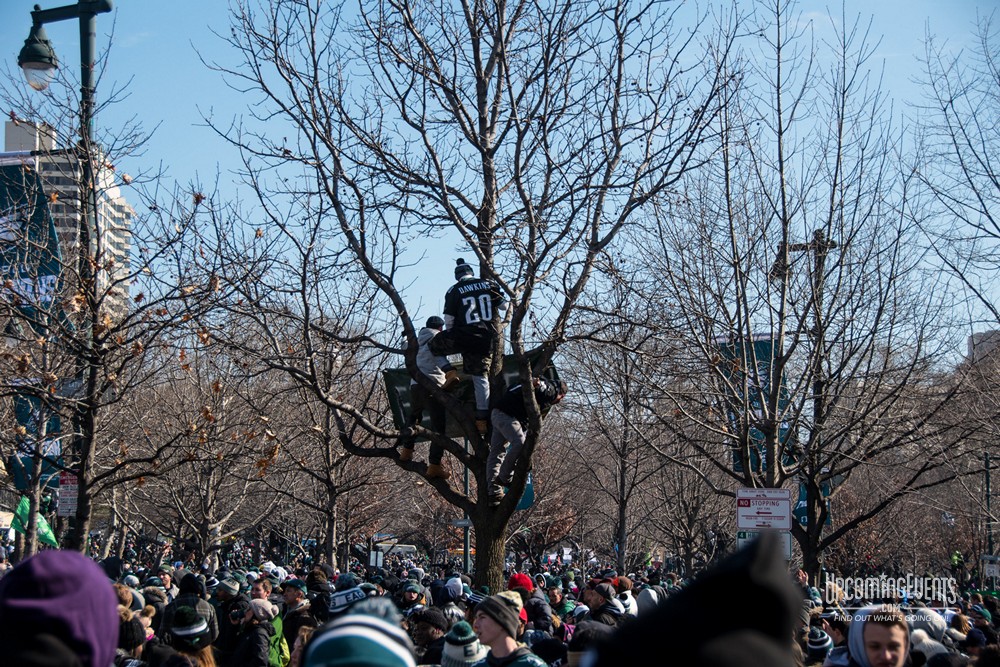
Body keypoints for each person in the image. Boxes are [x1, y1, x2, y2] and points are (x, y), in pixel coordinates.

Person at [428, 258, 507, 434]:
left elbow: (449, 321)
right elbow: (504, 306)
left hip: (462, 334)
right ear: (471, 272)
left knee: (433, 346)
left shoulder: (453, 290)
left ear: (457, 277)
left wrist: (451, 335)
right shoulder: (488, 284)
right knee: (480, 378)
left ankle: (449, 371)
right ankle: (482, 419)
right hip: (485, 337)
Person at [487, 377, 567, 505]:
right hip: (507, 416)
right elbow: (543, 388)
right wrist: (539, 384)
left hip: (497, 414)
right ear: (561, 396)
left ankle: (494, 493)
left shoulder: (526, 384)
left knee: (496, 453)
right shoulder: (552, 390)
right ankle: (504, 477)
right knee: (520, 443)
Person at [400, 315, 461, 479]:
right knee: (438, 428)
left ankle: (406, 450)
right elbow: (438, 356)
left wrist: (405, 335)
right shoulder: (437, 338)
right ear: (440, 328)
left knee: (414, 416)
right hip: (433, 385)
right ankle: (434, 465)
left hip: (415, 385)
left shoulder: (416, 340)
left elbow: (404, 346)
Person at [471, 593, 547, 667]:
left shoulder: (532, 664)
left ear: (501, 621)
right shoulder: (479, 665)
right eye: (476, 618)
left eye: (482, 617)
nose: (475, 625)